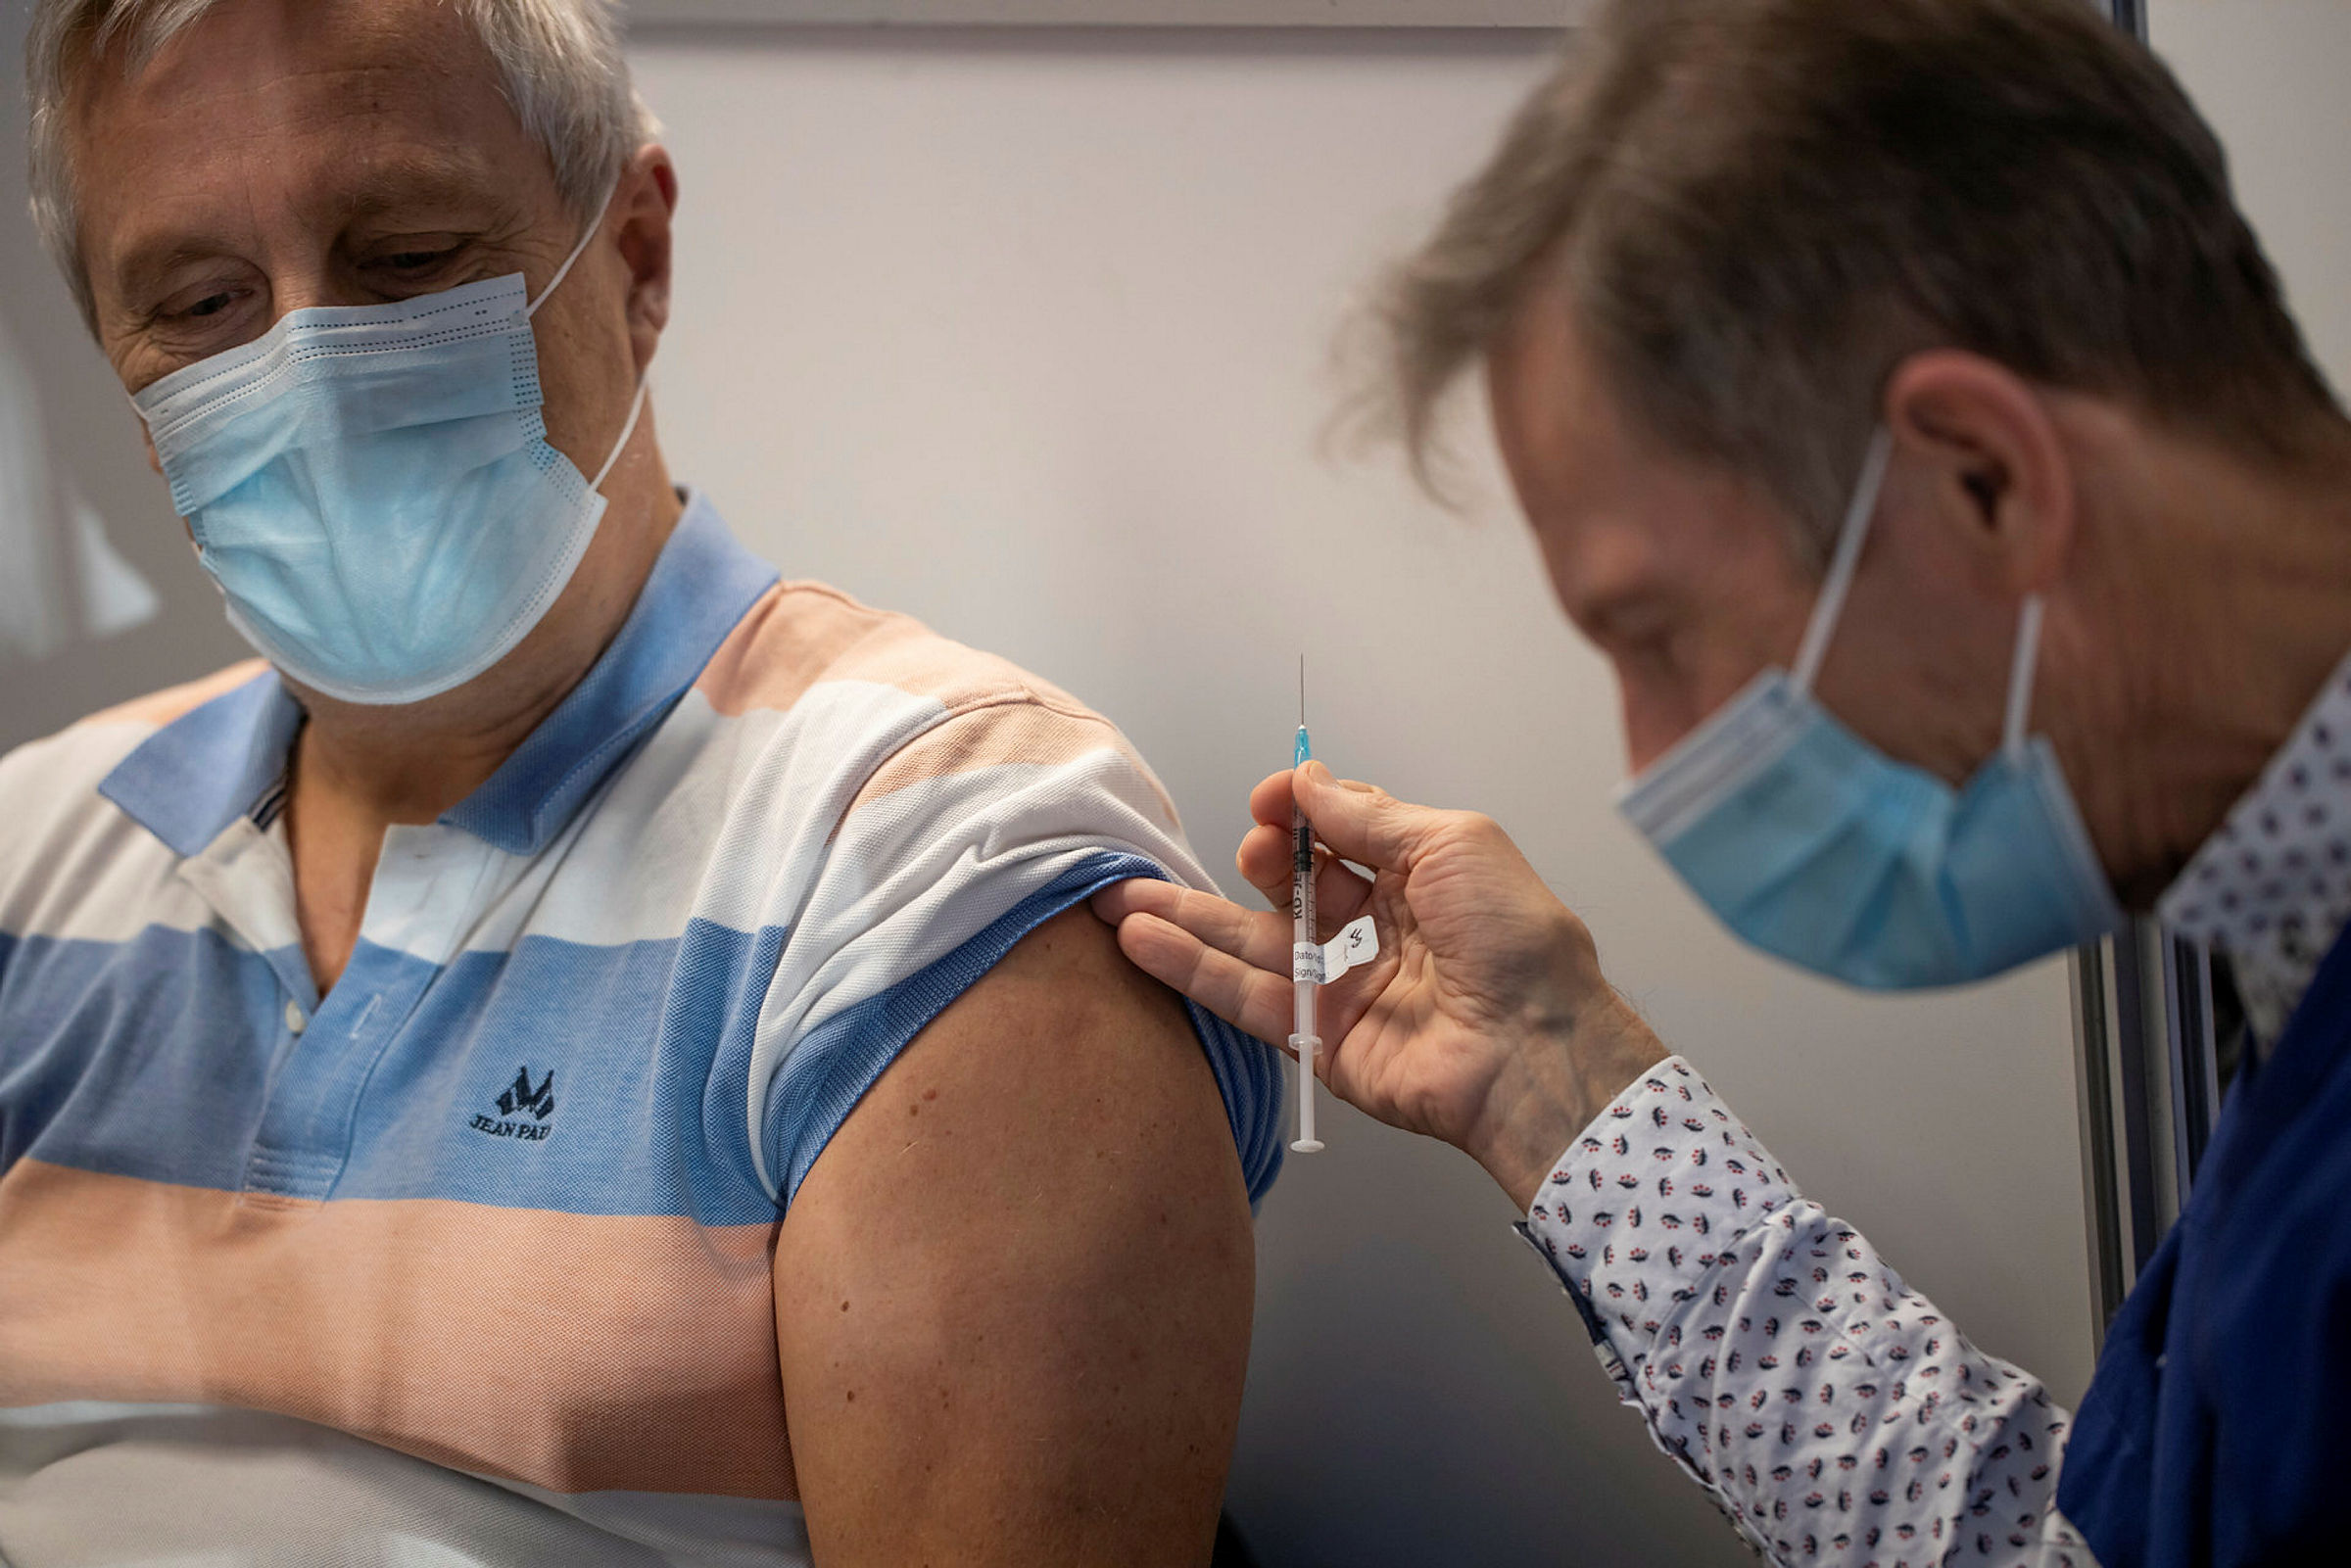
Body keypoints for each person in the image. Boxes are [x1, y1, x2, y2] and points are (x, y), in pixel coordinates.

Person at [0, 1, 1282, 1563]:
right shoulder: (30, 852)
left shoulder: (936, 867)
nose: (310, 378)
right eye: (203, 304)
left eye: (407, 256)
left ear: (634, 254)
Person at [1096, 1, 2351, 1564]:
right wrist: (1546, 1073)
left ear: (1982, 479)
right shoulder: (2291, 966)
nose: (1653, 761)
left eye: (1659, 634)